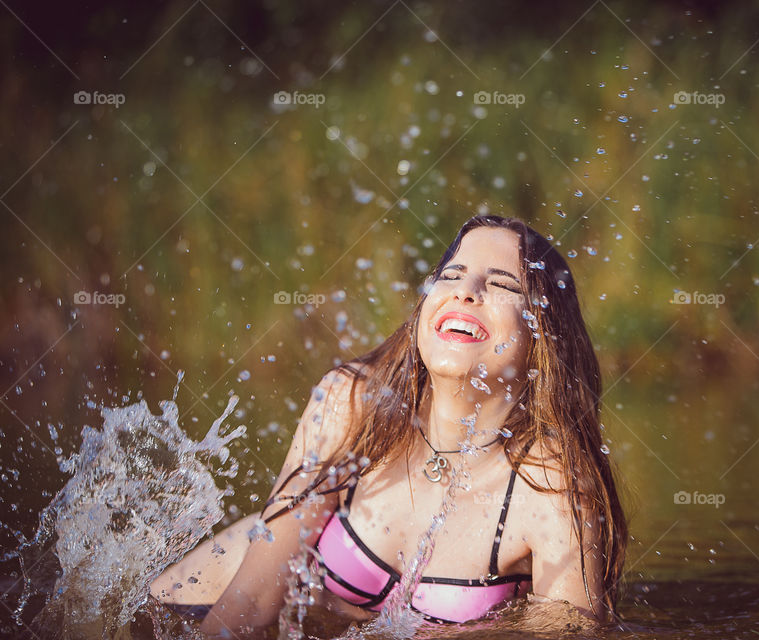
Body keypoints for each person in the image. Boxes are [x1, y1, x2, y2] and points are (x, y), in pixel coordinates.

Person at [150, 215, 627, 636]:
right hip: (181, 614)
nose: (465, 290)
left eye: (502, 284)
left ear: (544, 335)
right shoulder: (353, 403)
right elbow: (249, 607)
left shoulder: (551, 486)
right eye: (452, 274)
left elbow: (573, 632)